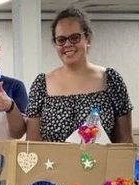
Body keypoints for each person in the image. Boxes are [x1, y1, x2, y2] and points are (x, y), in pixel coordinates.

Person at [25, 7, 133, 143]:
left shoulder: (111, 80)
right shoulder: (41, 84)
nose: (68, 44)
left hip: (102, 164)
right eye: (61, 40)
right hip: (53, 164)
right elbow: (33, 145)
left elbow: (124, 141)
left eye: (75, 38)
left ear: (87, 39)